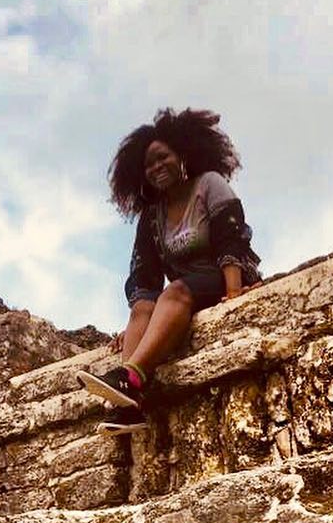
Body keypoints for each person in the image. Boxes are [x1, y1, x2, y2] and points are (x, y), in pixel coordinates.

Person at [78, 107, 261, 434]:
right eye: (148, 165)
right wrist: (137, 324)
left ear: (182, 156)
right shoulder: (151, 216)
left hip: (225, 276)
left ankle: (131, 376)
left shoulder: (210, 184)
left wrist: (233, 292)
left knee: (173, 290)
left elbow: (230, 237)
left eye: (162, 158)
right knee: (143, 306)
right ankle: (128, 404)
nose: (156, 167)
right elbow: (144, 276)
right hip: (183, 294)